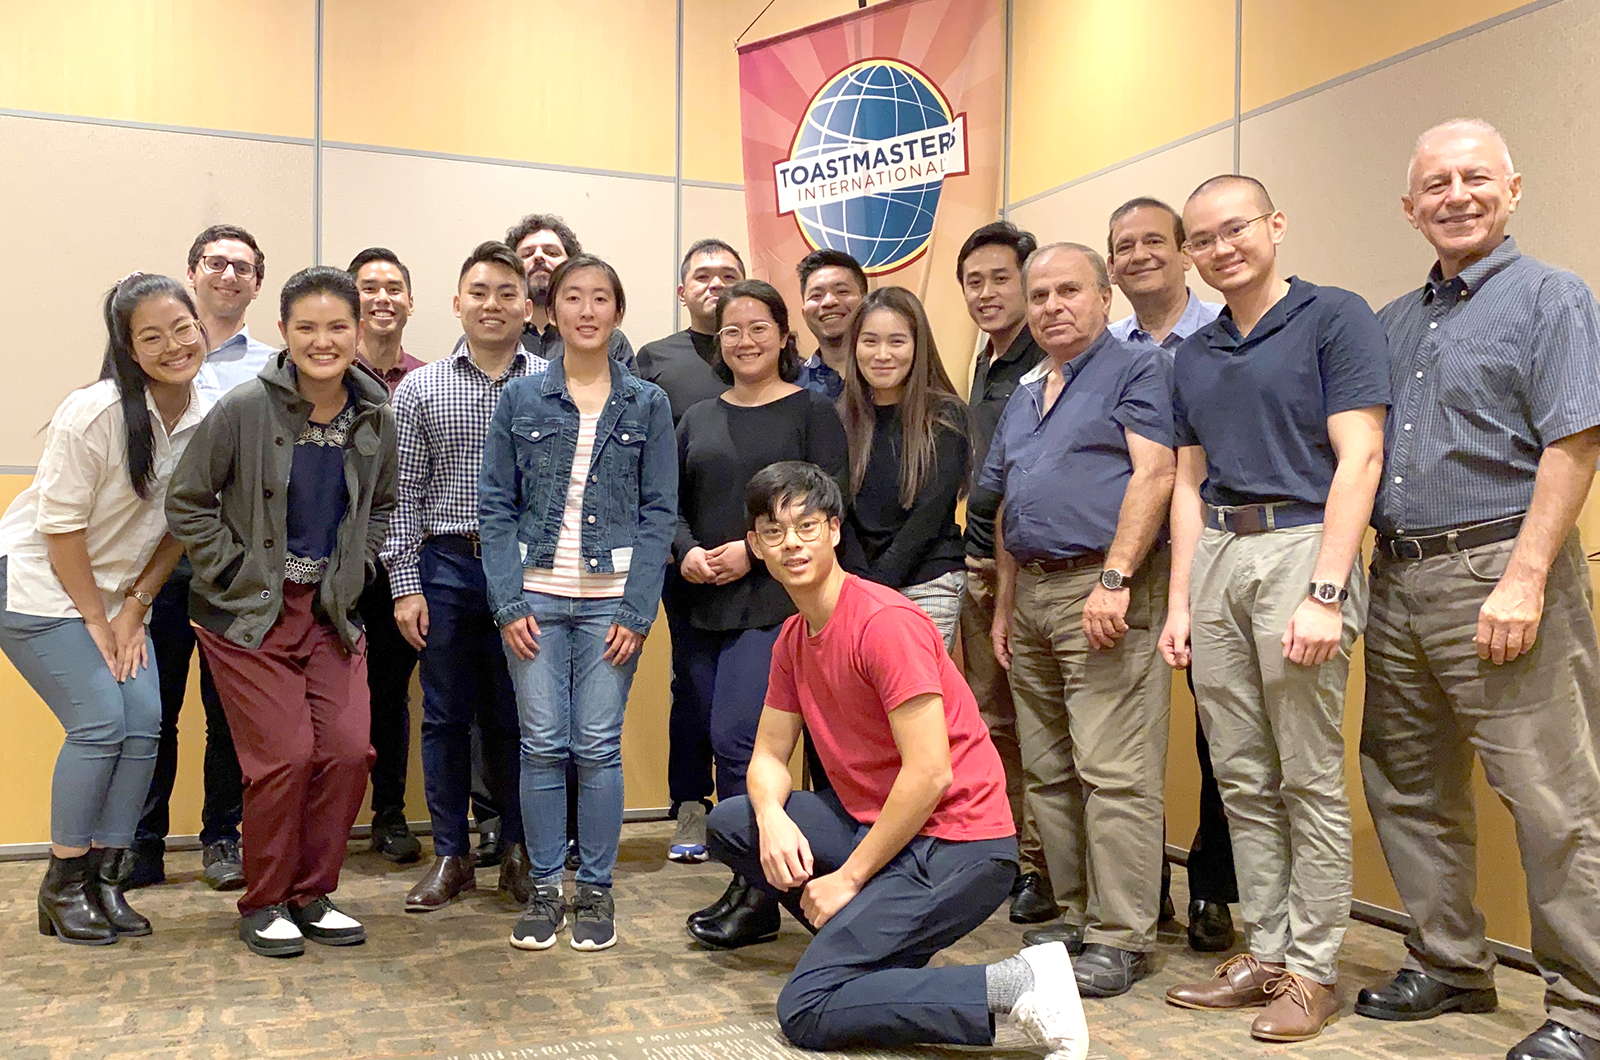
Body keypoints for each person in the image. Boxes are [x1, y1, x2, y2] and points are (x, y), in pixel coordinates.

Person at [704, 460, 1087, 1060]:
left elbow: (931, 772)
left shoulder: (884, 624)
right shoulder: (793, 637)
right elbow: (768, 758)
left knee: (807, 1007)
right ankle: (875, 956)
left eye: (807, 526)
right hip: (884, 827)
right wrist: (772, 817)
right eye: (774, 533)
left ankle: (1017, 982)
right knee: (735, 823)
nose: (792, 544)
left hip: (959, 844)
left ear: (833, 530)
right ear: (755, 546)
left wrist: (848, 878)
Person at [1356, 120, 1600, 1060]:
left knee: (1553, 799)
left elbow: (1574, 441)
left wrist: (1528, 578)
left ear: (1513, 187)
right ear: (1410, 205)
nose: (1456, 195)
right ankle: (1450, 961)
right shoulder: (1391, 323)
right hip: (1401, 575)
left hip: (1499, 570)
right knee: (1409, 785)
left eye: (1475, 178)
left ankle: (1584, 1006)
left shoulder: (1552, 297)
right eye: (1436, 183)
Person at [1159, 175, 1389, 1042]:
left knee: (1306, 774)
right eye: (1204, 239)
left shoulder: (1336, 316)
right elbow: (1186, 479)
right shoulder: (1195, 352)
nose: (1222, 249)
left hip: (1301, 545)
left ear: (1275, 226)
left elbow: (1360, 455)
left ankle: (1314, 967)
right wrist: (1180, 601)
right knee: (1244, 776)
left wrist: (1328, 592)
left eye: (1236, 229)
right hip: (1218, 549)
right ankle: (1267, 946)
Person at [166, 266, 396, 957]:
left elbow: (381, 505)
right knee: (285, 757)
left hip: (331, 608)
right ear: (285, 332)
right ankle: (264, 898)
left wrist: (359, 565)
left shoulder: (376, 414)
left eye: (337, 328)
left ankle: (311, 891)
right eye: (307, 328)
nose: (323, 342)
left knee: (350, 750)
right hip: (249, 614)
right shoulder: (244, 407)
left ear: (358, 332)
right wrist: (235, 570)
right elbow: (187, 501)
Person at [982, 243, 1177, 1000]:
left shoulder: (1136, 368)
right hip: (1031, 593)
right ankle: (1073, 915)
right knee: (1051, 772)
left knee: (1114, 772)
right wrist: (1003, 606)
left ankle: (1124, 936)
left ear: (1105, 297)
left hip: (1102, 590)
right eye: (1040, 296)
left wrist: (1116, 579)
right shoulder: (1029, 389)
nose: (1052, 306)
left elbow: (1155, 472)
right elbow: (1004, 504)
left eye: (1069, 291)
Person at [0, 273, 208, 944]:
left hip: (118, 598)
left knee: (144, 719)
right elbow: (59, 531)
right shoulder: (93, 412)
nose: (174, 344)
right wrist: (98, 619)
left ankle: (106, 879)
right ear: (128, 348)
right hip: (38, 589)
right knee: (99, 723)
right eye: (152, 336)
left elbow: (183, 526)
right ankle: (63, 884)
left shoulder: (207, 416)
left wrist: (134, 606)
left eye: (182, 327)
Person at [481, 255, 678, 952]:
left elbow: (661, 514)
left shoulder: (647, 403)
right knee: (541, 746)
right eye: (573, 298)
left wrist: (637, 610)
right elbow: (495, 507)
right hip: (534, 594)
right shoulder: (521, 398)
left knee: (596, 747)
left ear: (618, 312)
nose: (587, 309)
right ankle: (543, 890)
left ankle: (595, 890)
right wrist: (506, 601)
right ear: (552, 311)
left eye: (601, 298)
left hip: (609, 604)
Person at [674, 279, 852, 948]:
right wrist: (687, 551)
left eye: (757, 327)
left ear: (783, 335)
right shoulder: (696, 415)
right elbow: (668, 502)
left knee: (744, 741)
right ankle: (752, 881)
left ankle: (757, 890)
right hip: (702, 604)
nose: (744, 340)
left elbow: (826, 505)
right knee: (723, 747)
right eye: (730, 330)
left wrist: (756, 554)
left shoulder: (813, 411)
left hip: (777, 602)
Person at [385, 241, 535, 911]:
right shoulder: (420, 387)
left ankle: (520, 852)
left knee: (523, 718)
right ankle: (452, 855)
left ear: (528, 305)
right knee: (444, 716)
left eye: (508, 292)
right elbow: (401, 496)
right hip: (444, 565)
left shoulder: (555, 385)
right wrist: (405, 584)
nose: (493, 304)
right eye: (479, 291)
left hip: (529, 571)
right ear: (456, 303)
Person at [1105, 196, 1236, 954]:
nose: (1140, 254)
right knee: (1124, 738)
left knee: (1221, 736)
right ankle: (1140, 882)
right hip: (1125, 570)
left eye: (1156, 240)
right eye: (1124, 246)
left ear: (1186, 252)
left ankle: (1215, 889)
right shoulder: (1105, 347)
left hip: (1216, 558)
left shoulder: (1226, 336)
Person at [131, 224, 271, 891]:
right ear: (192, 273)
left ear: (257, 284)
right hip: (155, 563)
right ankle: (143, 842)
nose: (228, 274)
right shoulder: (150, 356)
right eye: (216, 263)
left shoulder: (274, 367)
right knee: (150, 711)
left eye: (242, 267)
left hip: (231, 567)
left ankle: (222, 836)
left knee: (227, 713)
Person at [954, 221, 1055, 926]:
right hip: (982, 563)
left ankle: (1047, 869)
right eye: (974, 281)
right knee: (995, 725)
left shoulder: (1048, 359)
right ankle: (1019, 857)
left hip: (1031, 569)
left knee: (1044, 726)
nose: (987, 293)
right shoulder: (985, 363)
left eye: (1000, 279)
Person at [636, 238, 743, 863]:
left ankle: (744, 809)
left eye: (729, 274)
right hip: (683, 551)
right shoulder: (657, 359)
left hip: (760, 554)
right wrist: (681, 548)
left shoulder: (767, 356)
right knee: (694, 683)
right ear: (683, 291)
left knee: (751, 693)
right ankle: (690, 806)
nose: (715, 284)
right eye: (703, 276)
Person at [348, 247, 427, 863]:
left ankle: (390, 815)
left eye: (393, 288)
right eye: (368, 287)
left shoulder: (426, 380)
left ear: (410, 302)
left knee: (389, 693)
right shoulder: (318, 372)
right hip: (321, 567)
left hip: (394, 564)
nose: (382, 297)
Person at [838, 286, 969, 649]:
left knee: (911, 699)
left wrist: (878, 585)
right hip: (856, 585)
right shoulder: (839, 418)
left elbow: (930, 515)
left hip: (928, 580)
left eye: (896, 342)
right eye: (870, 341)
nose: (882, 355)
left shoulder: (944, 417)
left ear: (917, 347)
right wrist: (861, 585)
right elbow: (837, 511)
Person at [505, 212, 635, 367]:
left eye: (551, 252)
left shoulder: (609, 340)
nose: (539, 257)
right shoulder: (496, 333)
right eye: (527, 254)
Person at [796, 249, 867, 399]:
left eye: (842, 291)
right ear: (804, 312)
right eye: (816, 295)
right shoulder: (793, 389)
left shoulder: (888, 375)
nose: (829, 302)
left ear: (866, 302)